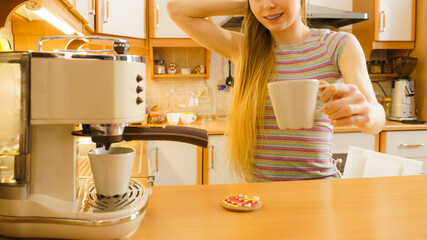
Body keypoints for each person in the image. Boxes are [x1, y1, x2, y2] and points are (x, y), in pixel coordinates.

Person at [167, 0, 385, 182]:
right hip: (261, 194)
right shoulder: (245, 50)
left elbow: (377, 118)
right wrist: (251, 5)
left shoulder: (338, 45)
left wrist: (367, 114)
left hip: (321, 188)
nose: (268, 5)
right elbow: (176, 9)